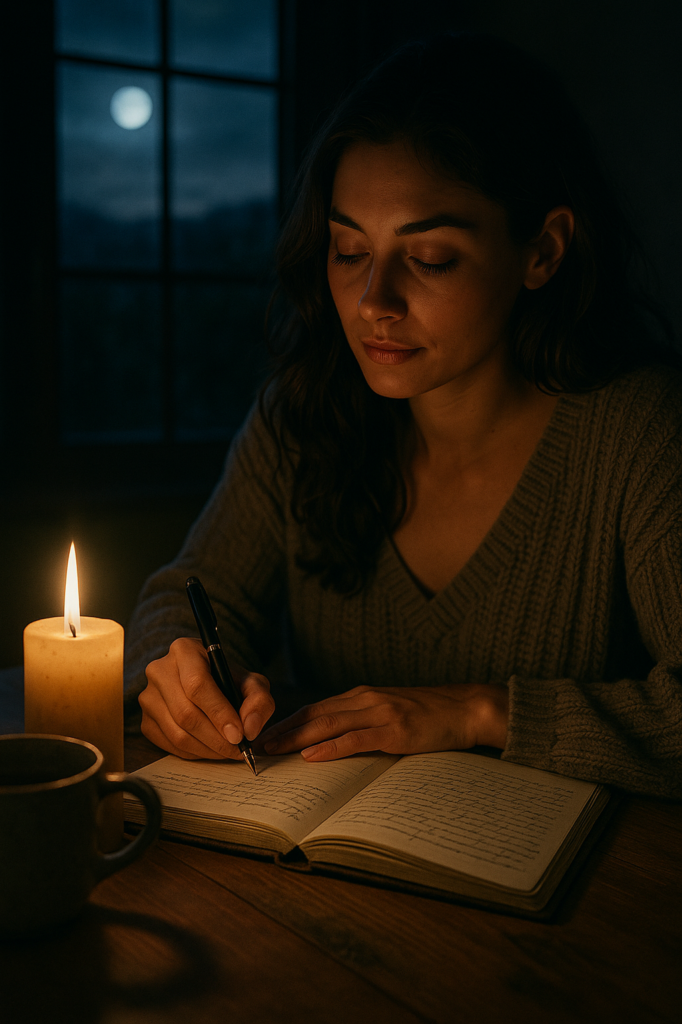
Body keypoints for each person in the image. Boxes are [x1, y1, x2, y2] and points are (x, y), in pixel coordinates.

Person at [125, 32, 682, 798]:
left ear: (542, 252)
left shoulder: (637, 430)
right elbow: (183, 593)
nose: (372, 302)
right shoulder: (304, 416)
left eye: (429, 259)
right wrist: (177, 664)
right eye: (348, 251)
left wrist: (482, 711)